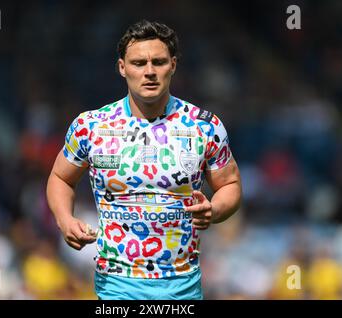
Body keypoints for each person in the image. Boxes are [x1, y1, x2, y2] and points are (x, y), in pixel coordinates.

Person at [46, 19, 242, 300]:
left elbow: (230, 184)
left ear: (173, 65)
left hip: (182, 285)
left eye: (159, 62)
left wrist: (215, 209)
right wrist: (65, 219)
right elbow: (60, 177)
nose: (149, 72)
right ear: (122, 67)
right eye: (139, 63)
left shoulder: (204, 126)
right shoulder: (92, 126)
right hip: (115, 285)